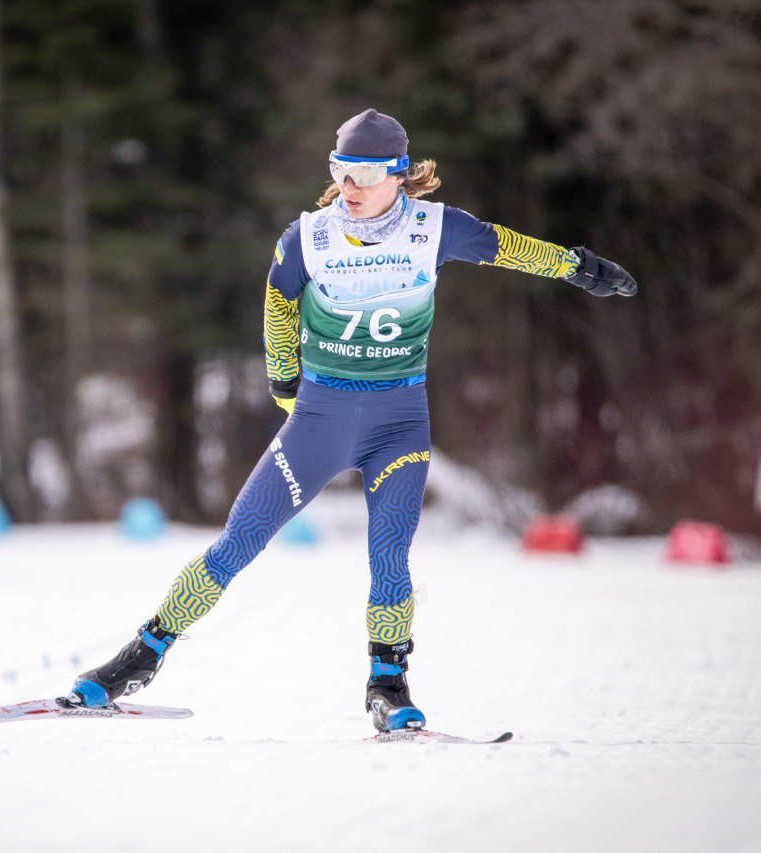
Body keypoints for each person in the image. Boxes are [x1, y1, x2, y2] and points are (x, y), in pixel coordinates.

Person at [67, 109, 637, 732]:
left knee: (390, 553)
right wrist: (286, 381)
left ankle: (388, 683)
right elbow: (278, 302)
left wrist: (581, 267)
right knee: (238, 542)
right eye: (342, 171)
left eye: (367, 173)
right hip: (320, 419)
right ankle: (138, 658)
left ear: (399, 174)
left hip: (398, 424)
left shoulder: (436, 229)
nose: (352, 187)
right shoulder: (307, 237)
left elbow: (509, 249)